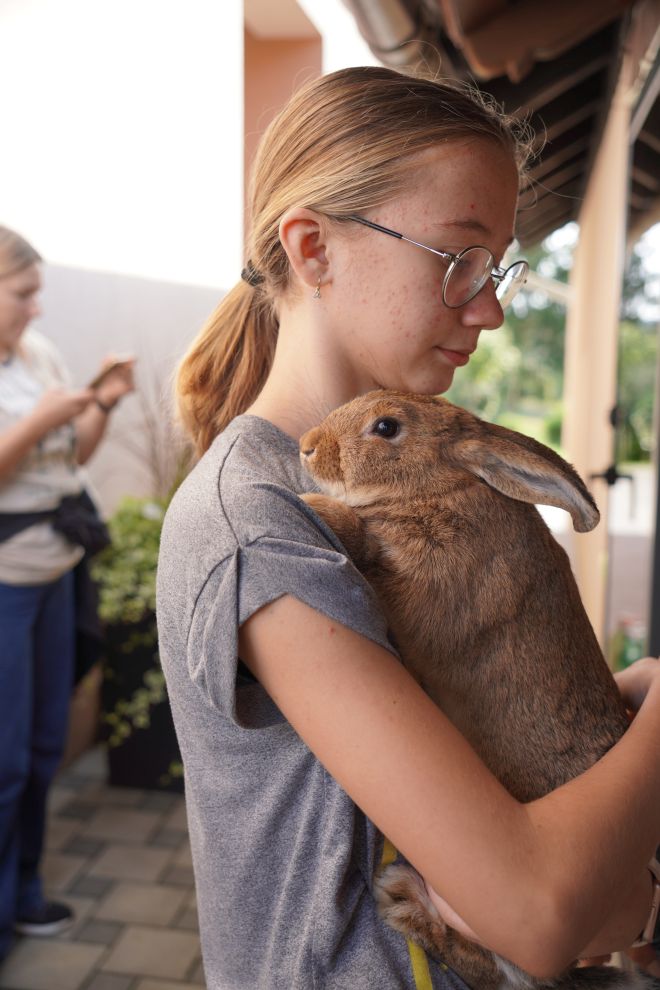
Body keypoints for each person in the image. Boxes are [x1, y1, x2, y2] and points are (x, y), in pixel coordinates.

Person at [157, 67, 660, 989]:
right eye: (456, 258)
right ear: (313, 250)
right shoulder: (258, 528)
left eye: (498, 265)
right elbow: (541, 912)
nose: (493, 307)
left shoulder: (404, 480)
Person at [0, 225, 134, 959]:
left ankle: (23, 894)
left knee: (46, 745)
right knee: (5, 760)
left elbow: (70, 459)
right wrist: (36, 422)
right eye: (23, 294)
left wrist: (101, 404)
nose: (36, 309)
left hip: (55, 574)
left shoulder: (37, 356)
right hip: (5, 587)